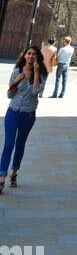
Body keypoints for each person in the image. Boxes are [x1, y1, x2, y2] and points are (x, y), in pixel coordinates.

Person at [1, 46, 47, 191]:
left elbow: (35, 91)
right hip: (13, 112)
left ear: (37, 57)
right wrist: (17, 81)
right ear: (25, 56)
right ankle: (2, 176)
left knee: (20, 144)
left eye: (34, 54)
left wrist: (37, 71)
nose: (31, 56)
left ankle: (14, 172)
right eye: (29, 54)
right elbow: (9, 94)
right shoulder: (16, 72)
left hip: (28, 114)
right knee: (9, 144)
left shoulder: (41, 75)